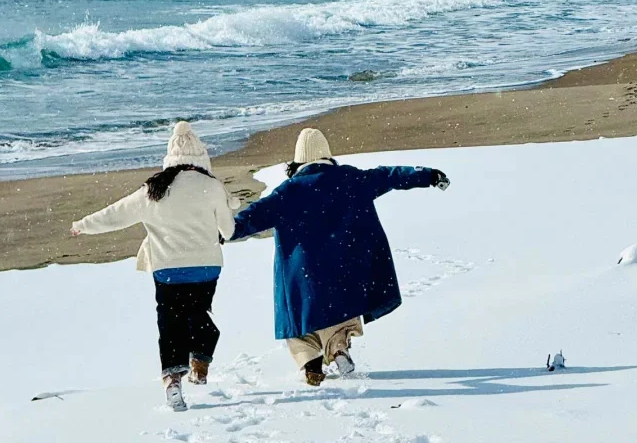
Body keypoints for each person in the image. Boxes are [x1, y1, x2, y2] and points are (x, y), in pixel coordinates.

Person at [230, 127, 449, 386]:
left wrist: (226, 230)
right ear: (327, 156)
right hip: (346, 269)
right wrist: (428, 176)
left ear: (298, 160)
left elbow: (253, 216)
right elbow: (389, 176)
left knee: (300, 325)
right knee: (341, 315)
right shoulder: (351, 178)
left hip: (303, 273)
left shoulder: (287, 191)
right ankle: (339, 349)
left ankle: (311, 365)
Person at [70, 121, 237, 411]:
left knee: (171, 322)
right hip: (206, 267)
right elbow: (229, 230)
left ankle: (173, 380)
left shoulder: (154, 189)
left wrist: (83, 226)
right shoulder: (212, 186)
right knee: (197, 313)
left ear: (169, 158)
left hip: (168, 270)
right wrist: (223, 211)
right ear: (201, 157)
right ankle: (200, 359)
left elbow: (116, 214)